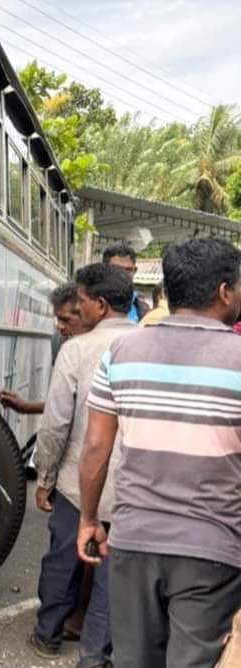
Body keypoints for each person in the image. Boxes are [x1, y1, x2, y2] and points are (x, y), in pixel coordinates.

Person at [79, 237, 241, 668]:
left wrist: (89, 518)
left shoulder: (122, 352)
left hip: (133, 539)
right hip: (212, 548)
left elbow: (96, 446)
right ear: (225, 291)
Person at [27, 263, 135, 667]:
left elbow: (55, 423)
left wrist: (44, 477)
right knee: (113, 571)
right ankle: (95, 654)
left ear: (100, 306)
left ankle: (48, 634)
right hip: (131, 485)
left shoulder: (76, 350)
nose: (78, 309)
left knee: (62, 559)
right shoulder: (149, 346)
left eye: (83, 302)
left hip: (77, 481)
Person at [0, 282, 88, 415]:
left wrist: (26, 408)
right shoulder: (59, 341)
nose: (59, 326)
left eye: (65, 320)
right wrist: (25, 407)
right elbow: (64, 404)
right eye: (58, 319)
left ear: (84, 314)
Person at [101, 243, 149, 323]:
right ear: (104, 270)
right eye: (116, 269)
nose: (122, 275)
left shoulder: (142, 309)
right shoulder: (89, 304)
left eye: (128, 270)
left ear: (134, 271)